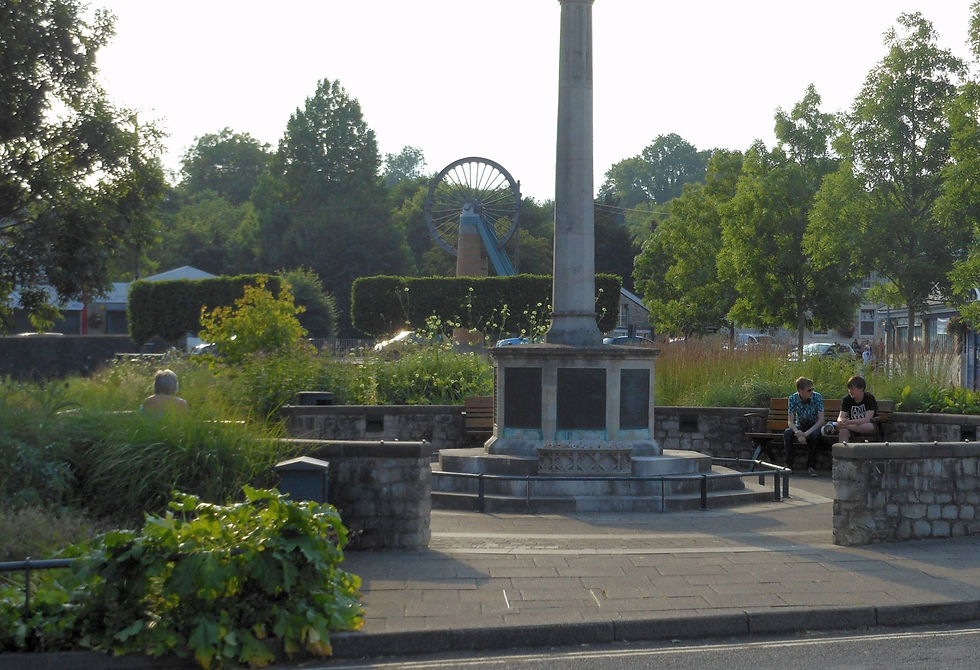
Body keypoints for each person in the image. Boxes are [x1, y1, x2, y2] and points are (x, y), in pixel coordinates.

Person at [783, 376, 825, 476]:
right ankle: (789, 466)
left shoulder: (817, 397)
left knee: (815, 435)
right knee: (787, 433)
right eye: (809, 390)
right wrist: (797, 432)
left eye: (812, 389)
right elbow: (790, 421)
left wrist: (805, 434)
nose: (812, 392)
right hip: (800, 425)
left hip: (813, 425)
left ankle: (811, 466)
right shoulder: (793, 398)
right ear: (800, 391)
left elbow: (821, 420)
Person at [835, 375, 878, 442]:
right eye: (849, 389)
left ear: (861, 388)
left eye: (852, 389)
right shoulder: (846, 399)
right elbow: (840, 416)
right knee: (843, 431)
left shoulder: (869, 398)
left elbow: (867, 419)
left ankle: (846, 427)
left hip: (866, 425)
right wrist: (841, 421)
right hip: (852, 426)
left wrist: (848, 423)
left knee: (867, 426)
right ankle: (843, 448)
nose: (850, 391)